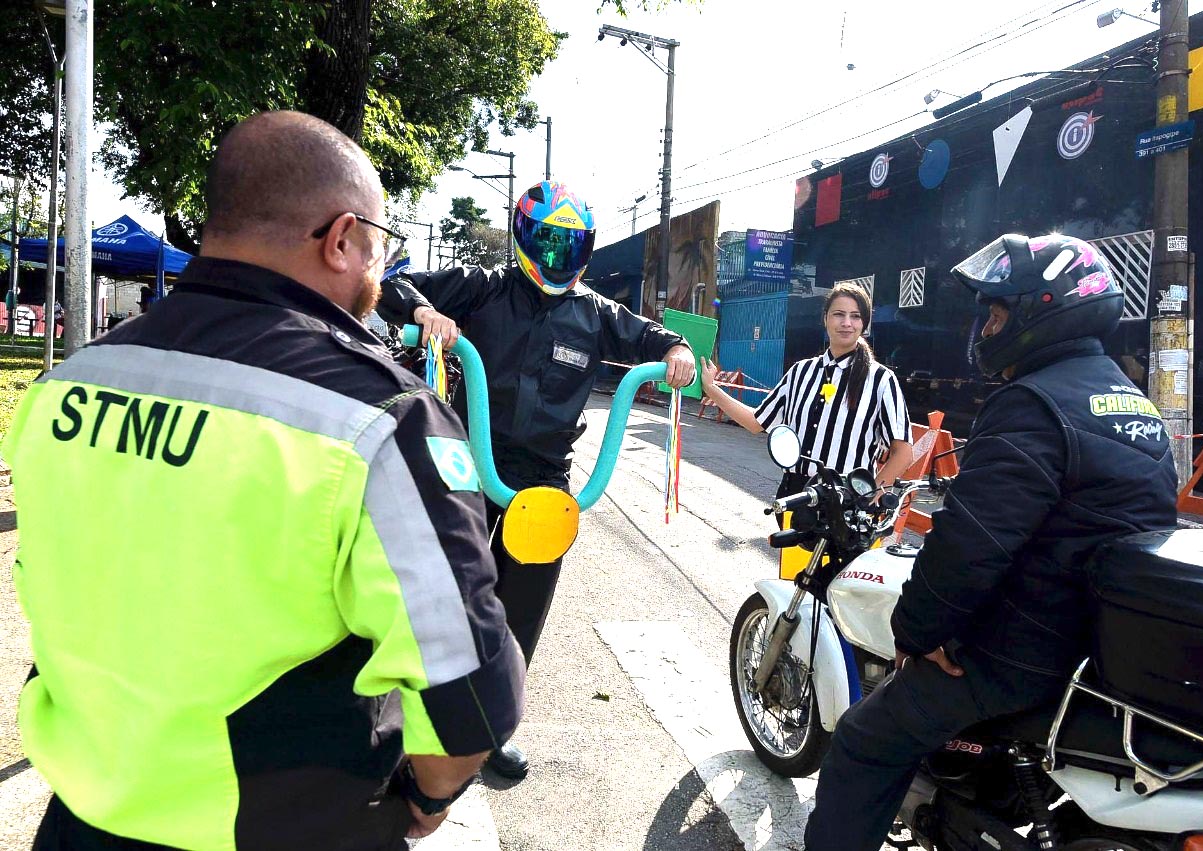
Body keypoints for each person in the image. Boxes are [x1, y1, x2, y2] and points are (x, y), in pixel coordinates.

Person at [2, 111, 524, 850]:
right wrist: (423, 793)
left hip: (79, 819)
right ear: (342, 239)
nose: (381, 272)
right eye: (380, 246)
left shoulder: (66, 384)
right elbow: (472, 691)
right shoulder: (383, 416)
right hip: (283, 828)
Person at [804, 234, 1178, 850]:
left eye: (1000, 311)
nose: (987, 327)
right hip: (1102, 645)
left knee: (862, 744)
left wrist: (917, 633)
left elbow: (971, 544)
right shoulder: (1131, 401)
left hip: (1025, 650)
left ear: (1044, 312)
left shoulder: (1033, 403)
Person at [377, 179, 696, 779]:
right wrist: (424, 310)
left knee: (521, 611)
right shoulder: (484, 287)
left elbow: (654, 337)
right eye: (547, 244)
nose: (557, 259)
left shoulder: (595, 312)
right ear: (524, 237)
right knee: (444, 596)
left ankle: (491, 730)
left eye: (570, 247)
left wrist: (677, 349)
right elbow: (394, 282)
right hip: (466, 465)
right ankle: (406, 721)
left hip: (545, 483)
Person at [699, 281, 914, 502]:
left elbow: (903, 452)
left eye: (856, 316)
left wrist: (867, 498)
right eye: (839, 314)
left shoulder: (880, 380)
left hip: (845, 501)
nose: (847, 323)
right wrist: (711, 388)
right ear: (825, 319)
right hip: (795, 495)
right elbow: (757, 422)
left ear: (864, 324)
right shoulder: (800, 372)